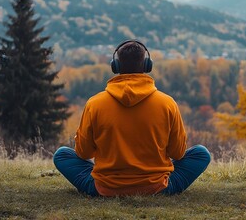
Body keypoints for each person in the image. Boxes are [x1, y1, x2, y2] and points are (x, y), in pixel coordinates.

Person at [53, 40, 211, 197]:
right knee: (201, 154)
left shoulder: (94, 104)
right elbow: (178, 153)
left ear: (115, 66)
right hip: (157, 187)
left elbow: (83, 153)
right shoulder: (167, 103)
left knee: (61, 155)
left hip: (106, 188)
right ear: (147, 65)